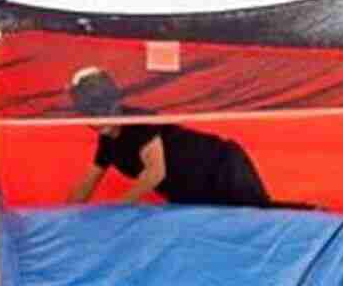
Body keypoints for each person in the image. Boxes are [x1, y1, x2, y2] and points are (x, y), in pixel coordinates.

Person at [66, 67, 271, 209]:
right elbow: (87, 184)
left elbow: (155, 172)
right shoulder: (108, 142)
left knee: (257, 220)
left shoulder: (138, 120)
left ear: (114, 102)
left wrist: (114, 211)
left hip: (223, 168)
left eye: (103, 108)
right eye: (92, 112)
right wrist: (65, 216)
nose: (100, 118)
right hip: (192, 193)